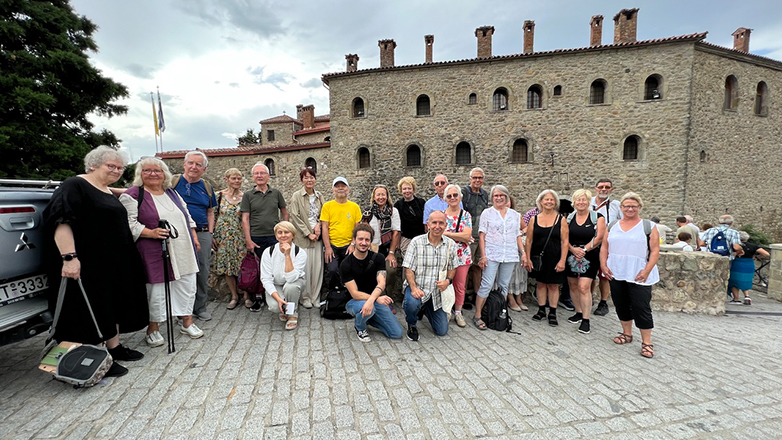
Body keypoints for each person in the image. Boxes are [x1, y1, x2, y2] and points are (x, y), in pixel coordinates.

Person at [43, 146, 148, 378]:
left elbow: (115, 195)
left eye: (120, 168)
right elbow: (61, 222)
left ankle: (114, 348)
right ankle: (94, 357)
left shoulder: (105, 189)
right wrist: (69, 258)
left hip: (111, 263)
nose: (117, 171)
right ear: (93, 164)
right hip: (88, 262)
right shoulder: (74, 185)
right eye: (111, 166)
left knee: (111, 305)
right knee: (91, 308)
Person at [121, 157, 204, 345]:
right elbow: (129, 223)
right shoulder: (133, 195)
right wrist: (150, 232)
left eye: (157, 170)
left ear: (164, 173)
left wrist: (194, 236)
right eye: (147, 170)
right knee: (156, 289)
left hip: (182, 246)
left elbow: (186, 215)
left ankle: (187, 321)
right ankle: (153, 327)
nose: (153, 174)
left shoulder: (171, 193)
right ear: (140, 174)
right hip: (154, 248)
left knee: (187, 283)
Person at [599, 192, 660, 359]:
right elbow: (604, 247)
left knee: (641, 306)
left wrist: (647, 270)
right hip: (616, 271)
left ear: (639, 207)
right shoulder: (612, 225)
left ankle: (647, 342)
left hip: (639, 272)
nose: (630, 209)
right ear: (621, 207)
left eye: (634, 206)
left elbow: (655, 251)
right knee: (621, 304)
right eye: (626, 206)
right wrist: (603, 265)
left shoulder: (648, 226)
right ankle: (627, 333)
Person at [172, 151, 217, 322]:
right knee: (180, 271)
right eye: (191, 163)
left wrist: (210, 233)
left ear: (204, 169)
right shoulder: (172, 183)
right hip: (179, 234)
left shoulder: (207, 187)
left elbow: (210, 212)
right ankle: (181, 309)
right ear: (184, 164)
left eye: (198, 164)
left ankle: (200, 307)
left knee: (203, 270)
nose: (194, 167)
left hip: (202, 232)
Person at [341, 223, 403, 342]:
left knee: (396, 333)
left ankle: (368, 317)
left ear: (370, 241)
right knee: (366, 306)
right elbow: (355, 294)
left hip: (374, 299)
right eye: (360, 239)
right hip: (354, 302)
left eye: (367, 240)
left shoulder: (378, 258)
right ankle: (360, 327)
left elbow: (381, 283)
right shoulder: (346, 264)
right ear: (354, 240)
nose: (363, 243)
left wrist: (372, 300)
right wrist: (375, 299)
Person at [402, 211, 458, 341]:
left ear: (446, 225)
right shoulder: (416, 242)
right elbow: (408, 269)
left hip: (436, 293)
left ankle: (425, 308)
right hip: (418, 288)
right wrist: (414, 288)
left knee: (442, 331)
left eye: (441, 223)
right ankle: (412, 324)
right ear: (428, 224)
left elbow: (452, 268)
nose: (437, 226)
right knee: (411, 303)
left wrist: (448, 281)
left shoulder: (451, 244)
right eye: (434, 223)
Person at [241, 162, 289, 312]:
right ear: (252, 177)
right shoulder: (248, 195)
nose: (259, 176)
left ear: (268, 176)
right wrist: (248, 240)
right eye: (256, 173)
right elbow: (245, 218)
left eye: (262, 173)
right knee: (260, 269)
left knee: (277, 267)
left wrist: (285, 232)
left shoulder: (276, 193)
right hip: (257, 237)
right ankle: (259, 297)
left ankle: (279, 296)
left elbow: (284, 212)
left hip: (275, 237)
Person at [474, 185, 523, 330]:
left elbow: (517, 235)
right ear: (492, 198)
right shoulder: (487, 213)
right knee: (487, 284)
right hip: (491, 253)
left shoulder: (515, 215)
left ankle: (499, 312)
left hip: (509, 253)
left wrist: (523, 253)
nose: (499, 198)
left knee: (504, 285)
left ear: (506, 197)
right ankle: (477, 315)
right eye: (496, 195)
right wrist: (483, 256)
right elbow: (482, 236)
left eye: (502, 195)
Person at [523, 189, 568, 326]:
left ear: (555, 202)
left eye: (552, 199)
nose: (549, 202)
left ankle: (552, 312)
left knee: (553, 285)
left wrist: (562, 260)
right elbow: (529, 240)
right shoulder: (534, 219)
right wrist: (528, 258)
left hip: (555, 257)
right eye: (546, 199)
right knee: (541, 283)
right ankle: (541, 310)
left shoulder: (561, 220)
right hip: (538, 257)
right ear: (541, 202)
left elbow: (565, 242)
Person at [564, 189, 605, 335]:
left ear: (588, 201)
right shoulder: (569, 218)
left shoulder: (597, 217)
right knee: (573, 285)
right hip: (572, 255)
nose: (581, 202)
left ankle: (586, 320)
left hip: (590, 256)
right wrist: (573, 250)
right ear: (574, 202)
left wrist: (583, 250)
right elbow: (564, 237)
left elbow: (599, 237)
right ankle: (579, 312)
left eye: (584, 200)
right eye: (578, 200)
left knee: (583, 287)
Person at [288, 166, 325, 309]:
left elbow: (324, 213)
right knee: (305, 269)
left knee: (317, 268)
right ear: (301, 180)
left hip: (318, 236)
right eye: (306, 177)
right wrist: (308, 233)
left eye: (312, 177)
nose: (309, 180)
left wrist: (319, 226)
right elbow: (295, 217)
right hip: (303, 238)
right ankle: (305, 297)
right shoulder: (296, 196)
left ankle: (315, 297)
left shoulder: (319, 196)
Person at [260, 222, 307, 330]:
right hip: (276, 284)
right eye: (280, 232)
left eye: (287, 232)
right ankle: (284, 305)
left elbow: (291, 278)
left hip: (294, 282)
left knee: (290, 287)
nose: (283, 235)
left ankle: (292, 313)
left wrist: (287, 255)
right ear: (276, 236)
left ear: (293, 235)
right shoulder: (268, 252)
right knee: (274, 306)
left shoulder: (300, 253)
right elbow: (266, 279)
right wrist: (278, 299)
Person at [213, 168, 249, 310]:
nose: (237, 181)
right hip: (223, 238)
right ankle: (234, 296)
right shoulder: (218, 196)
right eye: (233, 178)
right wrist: (212, 235)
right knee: (227, 267)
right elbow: (213, 215)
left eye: (239, 178)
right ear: (226, 180)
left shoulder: (245, 197)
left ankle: (246, 295)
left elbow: (248, 218)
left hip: (240, 237)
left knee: (243, 266)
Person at [321, 177, 362, 289]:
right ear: (333, 190)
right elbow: (324, 227)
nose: (340, 188)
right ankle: (334, 293)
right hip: (333, 246)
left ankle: (349, 293)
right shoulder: (327, 206)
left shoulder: (354, 207)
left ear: (348, 189)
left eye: (343, 186)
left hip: (348, 245)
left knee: (349, 271)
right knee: (332, 270)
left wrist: (353, 244)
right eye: (337, 186)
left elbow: (357, 228)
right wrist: (328, 247)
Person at [442, 184, 473, 327]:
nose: (452, 198)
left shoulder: (466, 215)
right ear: (445, 199)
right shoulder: (441, 215)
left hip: (462, 255)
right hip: (445, 255)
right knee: (445, 283)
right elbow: (436, 235)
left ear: (460, 197)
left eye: (455, 195)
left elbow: (467, 235)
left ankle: (458, 312)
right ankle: (446, 310)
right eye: (449, 196)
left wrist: (447, 234)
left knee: (459, 285)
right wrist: (460, 236)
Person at [361, 184, 401, 295]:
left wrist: (391, 253)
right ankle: (373, 296)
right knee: (370, 270)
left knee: (390, 270)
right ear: (374, 197)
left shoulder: (393, 211)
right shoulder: (368, 212)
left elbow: (396, 233)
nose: (381, 197)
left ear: (387, 196)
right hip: (372, 248)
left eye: (383, 194)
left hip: (388, 248)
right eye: (378, 195)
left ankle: (387, 295)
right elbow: (364, 230)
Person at [590, 178, 621, 317]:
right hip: (590, 244)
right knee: (588, 274)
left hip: (607, 245)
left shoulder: (616, 205)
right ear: (595, 188)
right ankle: (588, 298)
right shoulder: (588, 202)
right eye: (601, 187)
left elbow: (623, 222)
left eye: (607, 187)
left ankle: (603, 302)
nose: (604, 189)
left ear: (612, 189)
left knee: (604, 275)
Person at [461, 167, 490, 306]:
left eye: (480, 178)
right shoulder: (464, 193)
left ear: (483, 180)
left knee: (478, 266)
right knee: (466, 267)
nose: (477, 180)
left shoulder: (484, 194)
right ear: (470, 179)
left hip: (481, 236)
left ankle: (476, 295)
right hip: (468, 236)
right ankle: (463, 295)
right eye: (475, 178)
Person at [728, 231, 770, 305]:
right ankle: (747, 296)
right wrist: (757, 256)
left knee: (734, 281)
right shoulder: (753, 246)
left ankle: (736, 299)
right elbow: (766, 254)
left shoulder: (736, 246)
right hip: (749, 264)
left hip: (737, 263)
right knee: (746, 280)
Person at [394, 176, 426, 257]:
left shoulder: (421, 203)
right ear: (401, 190)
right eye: (404, 189)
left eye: (409, 188)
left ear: (413, 189)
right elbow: (397, 226)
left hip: (421, 237)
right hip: (406, 238)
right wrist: (397, 243)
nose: (407, 191)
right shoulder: (398, 205)